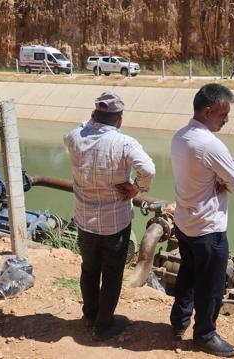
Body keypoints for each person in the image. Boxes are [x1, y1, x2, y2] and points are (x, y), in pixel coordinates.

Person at [63, 91, 156, 341]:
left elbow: (76, 131)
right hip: (115, 223)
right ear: (120, 119)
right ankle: (104, 325)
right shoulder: (124, 143)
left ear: (95, 114)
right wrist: (137, 188)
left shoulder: (74, 138)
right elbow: (147, 169)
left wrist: (89, 123)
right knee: (112, 273)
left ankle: (89, 315)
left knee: (89, 269)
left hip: (84, 221)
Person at [170, 84, 234, 357]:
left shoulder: (179, 136)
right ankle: (205, 334)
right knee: (211, 285)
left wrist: (217, 176)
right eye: (223, 114)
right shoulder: (211, 145)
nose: (226, 119)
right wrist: (229, 169)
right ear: (209, 111)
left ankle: (178, 323)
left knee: (187, 274)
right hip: (208, 228)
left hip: (185, 222)